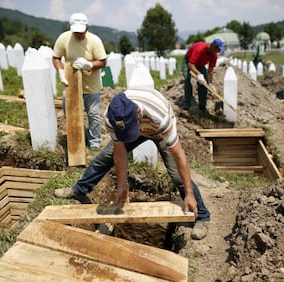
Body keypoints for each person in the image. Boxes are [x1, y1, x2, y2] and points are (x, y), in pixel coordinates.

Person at [54, 88, 211, 240]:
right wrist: (122, 185)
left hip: (156, 130)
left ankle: (202, 216)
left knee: (176, 175)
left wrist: (189, 193)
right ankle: (79, 190)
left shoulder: (160, 116)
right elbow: (120, 152)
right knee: (104, 158)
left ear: (137, 113)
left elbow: (179, 156)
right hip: (135, 125)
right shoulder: (112, 116)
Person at [52, 13, 107, 150]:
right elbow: (56, 57)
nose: (79, 35)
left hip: (91, 84)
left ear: (87, 27)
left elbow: (103, 61)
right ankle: (80, 136)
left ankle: (94, 142)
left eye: (81, 32)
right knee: (69, 111)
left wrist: (89, 65)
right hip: (71, 83)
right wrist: (60, 71)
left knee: (93, 113)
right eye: (76, 32)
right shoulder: (64, 39)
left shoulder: (94, 41)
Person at [183, 38, 225, 112]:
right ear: (212, 46)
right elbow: (190, 64)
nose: (218, 52)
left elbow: (210, 71)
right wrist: (199, 74)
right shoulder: (200, 49)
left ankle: (202, 106)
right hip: (188, 62)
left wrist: (210, 83)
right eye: (218, 49)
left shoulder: (214, 55)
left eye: (219, 50)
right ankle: (187, 104)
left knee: (203, 83)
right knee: (187, 80)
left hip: (200, 65)